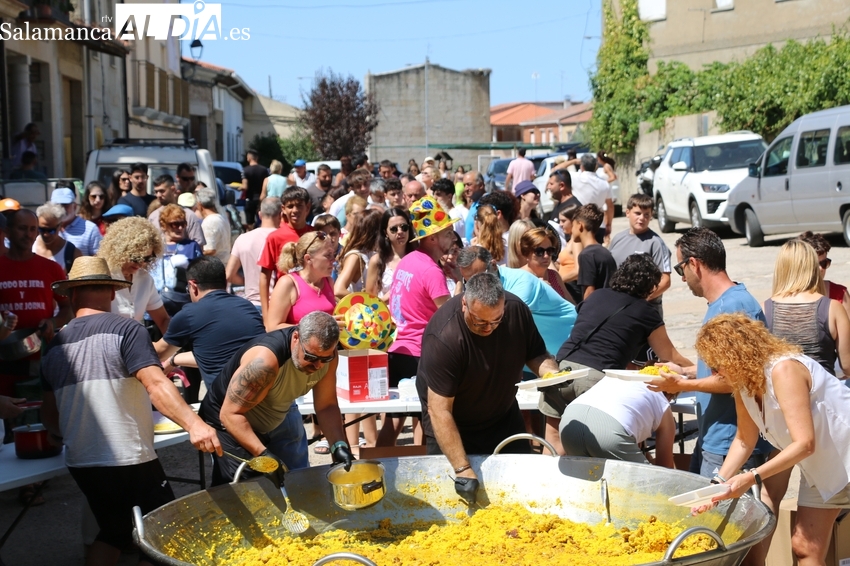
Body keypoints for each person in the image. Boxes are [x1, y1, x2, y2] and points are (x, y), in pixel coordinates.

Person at [39, 257, 221, 566]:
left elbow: (50, 418)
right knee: (167, 532)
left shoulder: (55, 346)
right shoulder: (127, 329)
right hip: (127, 456)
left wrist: (64, 433)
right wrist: (195, 424)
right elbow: (156, 384)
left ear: (70, 296)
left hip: (82, 461)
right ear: (112, 292)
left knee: (116, 531)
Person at [646, 229, 785, 566]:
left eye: (680, 270)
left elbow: (736, 379)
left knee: (713, 539)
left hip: (728, 439)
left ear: (694, 264)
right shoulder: (726, 303)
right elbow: (720, 369)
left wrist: (683, 386)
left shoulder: (733, 306)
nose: (681, 279)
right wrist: (685, 372)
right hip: (717, 434)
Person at [693, 313, 850, 566]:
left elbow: (804, 443)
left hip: (843, 456)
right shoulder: (744, 382)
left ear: (736, 355)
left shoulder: (784, 370)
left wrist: (751, 476)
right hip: (824, 466)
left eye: (716, 364)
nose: (714, 373)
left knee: (806, 545)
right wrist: (718, 484)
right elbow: (744, 439)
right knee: (804, 547)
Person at [418, 272, 560, 503]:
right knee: (450, 499)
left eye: (496, 320)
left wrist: (552, 374)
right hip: (452, 423)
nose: (488, 328)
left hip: (502, 416)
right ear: (464, 303)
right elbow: (439, 410)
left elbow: (536, 354)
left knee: (521, 492)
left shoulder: (516, 309)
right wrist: (463, 469)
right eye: (480, 321)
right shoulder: (444, 337)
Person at [200, 311, 353, 484]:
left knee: (290, 484)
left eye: (325, 358)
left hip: (267, 420)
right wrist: (264, 456)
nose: (318, 365)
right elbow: (230, 415)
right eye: (310, 357)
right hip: (226, 423)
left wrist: (338, 445)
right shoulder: (264, 363)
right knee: (247, 491)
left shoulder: (328, 357)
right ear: (296, 338)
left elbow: (326, 406)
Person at [456, 246, 576, 453]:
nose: (476, 284)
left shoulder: (521, 283)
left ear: (494, 264)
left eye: (480, 275)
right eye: (469, 280)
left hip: (565, 347)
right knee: (525, 411)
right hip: (536, 350)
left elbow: (504, 328)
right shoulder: (483, 288)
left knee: (556, 423)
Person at [549, 254, 693, 418]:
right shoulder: (645, 311)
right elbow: (670, 356)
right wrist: (698, 371)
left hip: (561, 368)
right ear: (650, 286)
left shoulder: (597, 295)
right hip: (595, 376)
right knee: (600, 436)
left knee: (553, 433)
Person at [378, 197, 455, 447]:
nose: (453, 237)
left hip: (398, 350)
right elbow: (451, 317)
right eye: (448, 233)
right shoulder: (431, 271)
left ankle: (376, 470)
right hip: (420, 355)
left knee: (394, 422)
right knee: (430, 421)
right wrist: (460, 281)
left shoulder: (409, 261)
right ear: (433, 237)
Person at [154, 256, 265, 391]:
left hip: (231, 401)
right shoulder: (246, 306)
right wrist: (174, 360)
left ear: (193, 286)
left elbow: (158, 354)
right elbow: (215, 355)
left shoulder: (190, 314)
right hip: (268, 393)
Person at [0, 209, 72, 396]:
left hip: (40, 360)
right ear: (7, 231)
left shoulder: (51, 269)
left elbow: (68, 307)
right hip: (4, 362)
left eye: (33, 229)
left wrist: (52, 323)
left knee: (39, 420)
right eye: (22, 228)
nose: (29, 234)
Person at [764, 239, 850, 375]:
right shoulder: (832, 307)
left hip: (781, 392)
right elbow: (847, 366)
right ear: (811, 267)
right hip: (823, 392)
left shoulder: (765, 309)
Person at [560, 376, 675, 467]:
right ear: (670, 395)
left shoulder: (617, 377)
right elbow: (665, 466)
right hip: (609, 429)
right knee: (649, 487)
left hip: (570, 418)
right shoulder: (663, 404)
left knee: (586, 482)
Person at [98, 217, 170, 336]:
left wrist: (174, 345)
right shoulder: (103, 276)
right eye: (136, 258)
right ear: (119, 251)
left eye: (147, 258)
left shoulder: (145, 279)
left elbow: (163, 320)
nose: (142, 263)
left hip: (134, 346)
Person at [608, 193, 672, 317]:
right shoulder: (617, 239)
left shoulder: (656, 243)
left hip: (645, 310)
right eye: (637, 213)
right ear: (627, 213)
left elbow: (665, 281)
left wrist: (642, 300)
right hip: (618, 307)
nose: (642, 218)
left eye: (646, 214)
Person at [257, 187, 315, 316]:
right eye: (290, 206)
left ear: (308, 207)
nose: (295, 210)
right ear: (283, 209)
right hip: (286, 301)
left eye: (299, 205)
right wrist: (266, 315)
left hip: (313, 301)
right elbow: (264, 277)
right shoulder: (275, 237)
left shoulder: (315, 235)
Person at [266, 230, 337, 332]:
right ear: (308, 259)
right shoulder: (288, 283)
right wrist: (318, 327)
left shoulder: (328, 281)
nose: (333, 260)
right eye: (328, 255)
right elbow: (272, 328)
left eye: (333, 254)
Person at [227, 197, 281, 311]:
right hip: (279, 305)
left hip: (252, 305)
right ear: (281, 215)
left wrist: (248, 281)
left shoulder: (243, 239)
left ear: (260, 214)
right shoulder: (283, 239)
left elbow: (229, 275)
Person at [150, 205, 203, 316]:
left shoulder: (192, 246)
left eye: (183, 224)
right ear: (163, 225)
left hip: (183, 306)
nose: (180, 228)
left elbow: (200, 276)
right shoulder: (153, 247)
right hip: (155, 307)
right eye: (175, 224)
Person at [559, 154, 613, 242]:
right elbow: (610, 206)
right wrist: (609, 224)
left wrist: (573, 161)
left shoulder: (575, 177)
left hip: (580, 224)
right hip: (599, 225)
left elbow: (556, 170)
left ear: (582, 166)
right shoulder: (604, 184)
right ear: (596, 166)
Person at [366, 207, 416, 301]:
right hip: (386, 314)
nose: (400, 231)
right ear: (385, 233)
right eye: (394, 229)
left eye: (404, 227)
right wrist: (392, 295)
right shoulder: (377, 260)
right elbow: (370, 300)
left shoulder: (418, 257)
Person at [799, 231, 850, 320]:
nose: (821, 268)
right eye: (814, 264)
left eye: (824, 263)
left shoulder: (840, 293)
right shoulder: (788, 296)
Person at [334, 209, 382, 300]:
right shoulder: (355, 256)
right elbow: (338, 290)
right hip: (361, 311)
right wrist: (367, 302)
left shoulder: (374, 253)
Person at [572, 204, 616, 299]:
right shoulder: (605, 252)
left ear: (580, 225)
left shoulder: (586, 255)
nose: (572, 230)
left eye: (573, 225)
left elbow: (589, 293)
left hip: (597, 309)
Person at [149, 174, 205, 247]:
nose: (158, 195)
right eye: (156, 192)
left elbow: (198, 246)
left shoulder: (188, 215)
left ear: (173, 189)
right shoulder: (153, 217)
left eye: (162, 191)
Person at [519, 227, 570, 301]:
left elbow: (571, 304)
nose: (546, 256)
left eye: (549, 250)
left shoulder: (554, 275)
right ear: (526, 254)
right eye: (539, 251)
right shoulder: (519, 277)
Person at [50, 187, 102, 256]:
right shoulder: (45, 228)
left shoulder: (90, 229)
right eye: (57, 205)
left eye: (65, 205)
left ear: (74, 206)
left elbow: (98, 259)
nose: (61, 209)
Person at [33, 202, 81, 274]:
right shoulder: (29, 246)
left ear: (60, 226)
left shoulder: (72, 253)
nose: (46, 234)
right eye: (42, 229)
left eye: (51, 230)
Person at [195, 187, 231, 265]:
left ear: (199, 204)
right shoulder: (222, 217)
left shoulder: (209, 222)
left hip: (215, 267)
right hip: (224, 264)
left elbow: (210, 250)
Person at [241, 150, 268, 228]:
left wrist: (238, 187)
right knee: (263, 220)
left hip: (250, 199)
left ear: (249, 158)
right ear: (257, 158)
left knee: (250, 223)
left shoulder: (245, 170)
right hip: (262, 199)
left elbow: (245, 187)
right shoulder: (264, 170)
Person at [463, 172, 487, 245]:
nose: (466, 188)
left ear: (481, 185)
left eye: (469, 184)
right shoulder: (475, 203)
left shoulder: (487, 204)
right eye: (464, 185)